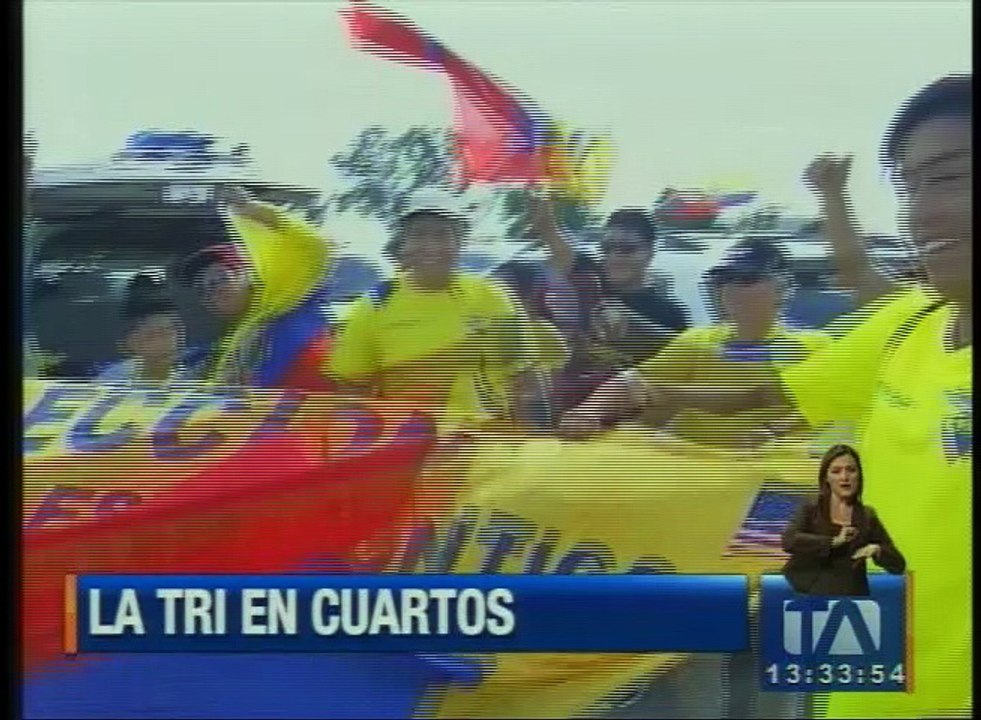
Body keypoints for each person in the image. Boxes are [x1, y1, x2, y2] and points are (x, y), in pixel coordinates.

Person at [636, 73, 971, 718]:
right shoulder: (907, 325)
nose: (921, 210)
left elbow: (852, 274)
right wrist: (650, 400)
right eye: (910, 187)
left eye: (950, 177)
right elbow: (774, 397)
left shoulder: (817, 332)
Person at [558, 237, 830, 447]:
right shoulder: (699, 342)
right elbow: (630, 383)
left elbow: (834, 408)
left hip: (771, 475)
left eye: (746, 280)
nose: (731, 288)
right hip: (693, 472)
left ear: (781, 289)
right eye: (725, 280)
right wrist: (587, 413)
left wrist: (775, 431)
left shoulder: (813, 347)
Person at [326, 188, 538, 430]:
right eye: (419, 235)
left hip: (486, 443)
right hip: (411, 446)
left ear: (460, 242)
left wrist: (523, 438)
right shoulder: (376, 303)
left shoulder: (492, 296)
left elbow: (523, 379)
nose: (431, 246)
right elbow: (352, 389)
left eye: (442, 235)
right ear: (404, 243)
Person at [528, 193, 690, 410]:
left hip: (627, 424)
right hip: (562, 414)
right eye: (606, 248)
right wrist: (543, 199)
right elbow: (558, 245)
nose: (614, 256)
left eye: (626, 249)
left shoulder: (670, 313)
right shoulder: (586, 285)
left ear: (650, 252)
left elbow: (679, 371)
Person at [174, 187, 334, 390]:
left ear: (250, 275)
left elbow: (314, 248)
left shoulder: (285, 305)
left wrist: (252, 210)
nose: (212, 291)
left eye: (220, 278)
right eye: (202, 290)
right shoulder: (222, 347)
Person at [781, 444, 905, 596]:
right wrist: (833, 541)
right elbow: (789, 540)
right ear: (826, 477)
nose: (844, 477)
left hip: (849, 598)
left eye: (851, 470)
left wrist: (877, 550)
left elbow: (898, 565)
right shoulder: (811, 507)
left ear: (859, 475)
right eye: (836, 471)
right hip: (804, 594)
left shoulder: (867, 516)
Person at [97, 274, 190, 385]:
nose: (161, 343)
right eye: (150, 336)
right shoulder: (111, 381)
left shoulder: (196, 377)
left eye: (168, 333)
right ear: (130, 343)